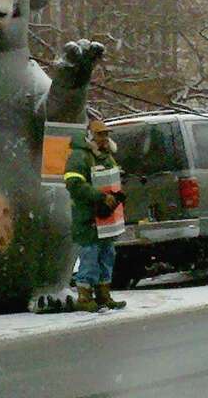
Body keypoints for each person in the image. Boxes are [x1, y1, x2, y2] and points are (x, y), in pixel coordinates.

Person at [64, 118, 127, 312]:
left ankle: (103, 295)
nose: (104, 138)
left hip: (106, 220)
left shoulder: (106, 156)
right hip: (88, 219)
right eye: (101, 134)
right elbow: (74, 184)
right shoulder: (79, 156)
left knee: (107, 256)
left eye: (106, 134)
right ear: (90, 135)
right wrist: (100, 196)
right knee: (90, 257)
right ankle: (84, 297)